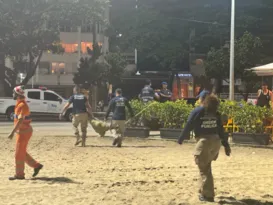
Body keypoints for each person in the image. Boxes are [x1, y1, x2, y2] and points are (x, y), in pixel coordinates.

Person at [178, 94, 231, 203]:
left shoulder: (197, 111)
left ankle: (208, 195)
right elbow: (221, 131)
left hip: (204, 142)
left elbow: (189, 124)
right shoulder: (216, 113)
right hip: (216, 142)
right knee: (206, 165)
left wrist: (181, 138)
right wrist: (226, 145)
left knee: (204, 169)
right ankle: (202, 190)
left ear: (203, 100)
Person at [8, 86, 43, 180]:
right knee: (21, 152)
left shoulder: (22, 105)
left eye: (14, 93)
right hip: (22, 132)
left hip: (24, 133)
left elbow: (20, 121)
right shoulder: (19, 104)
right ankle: (36, 165)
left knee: (19, 154)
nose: (13, 94)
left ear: (18, 94)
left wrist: (12, 132)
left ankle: (19, 175)